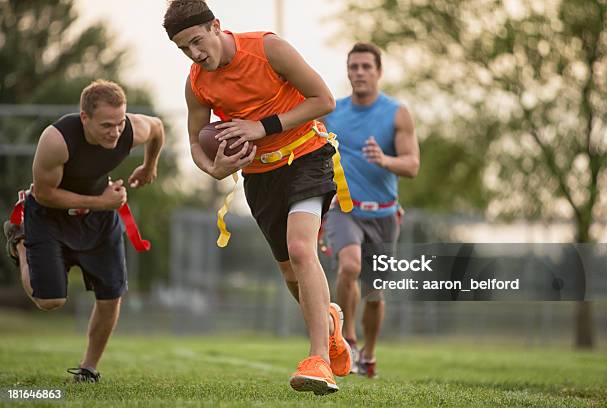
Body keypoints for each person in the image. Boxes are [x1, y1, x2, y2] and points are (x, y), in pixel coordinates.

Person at [163, 0, 352, 395]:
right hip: (260, 176)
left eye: (197, 41)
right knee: (289, 272)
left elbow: (324, 100)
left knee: (302, 251)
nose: (195, 54)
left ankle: (318, 359)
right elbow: (197, 142)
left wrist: (259, 127)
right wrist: (213, 169)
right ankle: (330, 326)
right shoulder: (196, 82)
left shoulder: (268, 48)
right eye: (183, 48)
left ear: (216, 26)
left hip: (307, 155)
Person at [2, 79, 165, 382]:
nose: (115, 132)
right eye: (106, 125)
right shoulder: (57, 139)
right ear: (84, 117)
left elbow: (157, 127)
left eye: (119, 122)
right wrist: (101, 201)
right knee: (49, 301)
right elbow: (45, 193)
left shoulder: (130, 129)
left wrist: (149, 166)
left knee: (110, 295)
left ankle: (88, 369)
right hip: (49, 217)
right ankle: (20, 241)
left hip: (98, 219)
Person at [323, 42, 420, 378]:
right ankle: (347, 339)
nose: (359, 73)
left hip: (384, 214)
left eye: (366, 67)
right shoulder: (331, 111)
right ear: (347, 72)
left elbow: (412, 165)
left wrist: (385, 159)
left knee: (375, 294)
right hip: (343, 208)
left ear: (378, 72)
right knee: (349, 265)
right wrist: (322, 202)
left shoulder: (396, 113)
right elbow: (312, 156)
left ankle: (369, 353)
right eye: (353, 67)